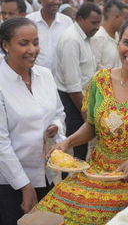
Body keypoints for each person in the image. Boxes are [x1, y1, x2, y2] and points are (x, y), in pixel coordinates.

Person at [36, 15, 128, 225]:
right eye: (127, 43)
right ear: (119, 41)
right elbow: (91, 126)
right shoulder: (100, 80)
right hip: (94, 171)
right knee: (50, 212)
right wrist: (68, 142)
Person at [0, 17, 66, 225]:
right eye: (24, 43)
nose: (32, 49)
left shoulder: (44, 75)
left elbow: (59, 111)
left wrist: (56, 126)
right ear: (5, 45)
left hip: (46, 174)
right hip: (11, 182)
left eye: (35, 43)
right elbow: (1, 143)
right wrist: (24, 186)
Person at [55, 2, 102, 160]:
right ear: (80, 19)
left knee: (81, 148)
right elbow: (73, 86)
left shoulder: (85, 37)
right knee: (73, 149)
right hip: (72, 100)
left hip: (82, 98)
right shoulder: (72, 40)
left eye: (99, 23)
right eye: (94, 22)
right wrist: (85, 114)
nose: (97, 27)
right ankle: (71, 181)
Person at [27, 0, 73, 75]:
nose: (57, 2)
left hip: (61, 81)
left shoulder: (67, 21)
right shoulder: (29, 21)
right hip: (35, 77)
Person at [91, 0, 128, 71]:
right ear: (116, 17)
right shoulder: (99, 37)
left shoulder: (117, 36)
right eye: (125, 18)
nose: (127, 23)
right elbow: (93, 68)